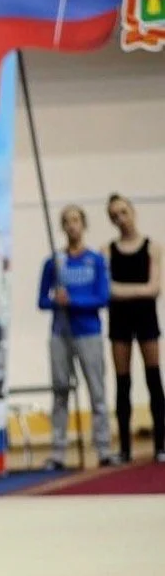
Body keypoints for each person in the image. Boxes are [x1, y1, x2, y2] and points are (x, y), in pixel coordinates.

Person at [37, 205, 118, 469]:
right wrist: (55, 302)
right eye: (66, 221)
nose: (72, 226)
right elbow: (41, 300)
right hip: (60, 334)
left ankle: (104, 448)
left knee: (97, 391)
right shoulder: (54, 262)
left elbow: (103, 297)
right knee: (60, 391)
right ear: (62, 227)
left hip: (89, 333)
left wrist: (74, 301)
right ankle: (58, 451)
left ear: (83, 224)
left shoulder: (95, 260)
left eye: (76, 220)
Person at [102, 192, 164, 463]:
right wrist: (139, 290)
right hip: (120, 321)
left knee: (153, 379)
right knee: (122, 382)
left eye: (124, 212)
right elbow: (107, 291)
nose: (121, 218)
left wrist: (123, 290)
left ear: (133, 212)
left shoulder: (153, 247)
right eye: (115, 215)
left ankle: (160, 445)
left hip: (146, 318)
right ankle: (125, 449)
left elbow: (154, 289)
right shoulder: (107, 251)